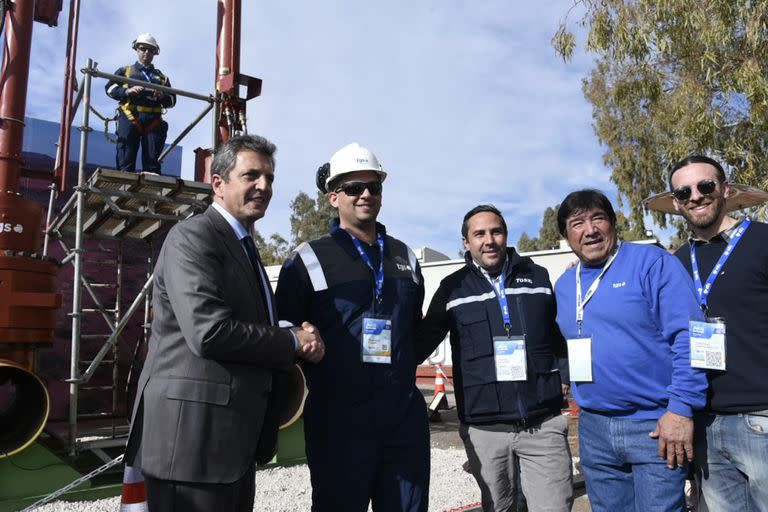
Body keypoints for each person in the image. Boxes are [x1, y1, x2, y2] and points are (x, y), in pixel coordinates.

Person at [124, 135, 325, 512]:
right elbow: (209, 332)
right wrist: (294, 342)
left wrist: (291, 333)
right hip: (191, 447)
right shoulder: (194, 236)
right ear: (218, 183)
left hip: (227, 445)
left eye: (269, 177)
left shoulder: (244, 246)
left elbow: (245, 322)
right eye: (251, 175)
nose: (263, 186)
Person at [276, 143, 430, 512]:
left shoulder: (405, 256)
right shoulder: (306, 259)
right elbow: (281, 326)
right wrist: (298, 340)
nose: (365, 194)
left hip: (401, 417)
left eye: (373, 187)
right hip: (338, 419)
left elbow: (412, 329)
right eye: (352, 188)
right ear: (333, 197)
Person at [553, 189, 708, 512]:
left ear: (613, 223)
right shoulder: (566, 284)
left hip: (654, 425)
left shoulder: (653, 264)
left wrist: (680, 409)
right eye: (577, 223)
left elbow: (691, 337)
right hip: (594, 427)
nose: (590, 230)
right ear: (567, 236)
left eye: (598, 218)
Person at [416, 204, 573, 512]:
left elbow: (558, 336)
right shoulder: (452, 288)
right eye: (479, 234)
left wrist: (565, 378)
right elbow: (420, 342)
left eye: (496, 232)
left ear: (505, 235)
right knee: (498, 508)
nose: (489, 240)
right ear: (466, 242)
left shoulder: (537, 277)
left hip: (542, 425)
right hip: (485, 430)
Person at [669, 155, 768, 511]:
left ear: (725, 189)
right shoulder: (676, 262)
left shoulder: (762, 241)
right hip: (704, 425)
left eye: (705, 186)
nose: (695, 196)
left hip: (761, 418)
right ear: (677, 202)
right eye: (684, 191)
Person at [105, 33, 175, 173]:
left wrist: (161, 96)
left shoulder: (162, 78)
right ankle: (124, 190)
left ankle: (150, 191)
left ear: (155, 52)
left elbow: (172, 100)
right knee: (125, 159)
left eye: (150, 50)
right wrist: (127, 91)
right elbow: (110, 88)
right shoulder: (125, 71)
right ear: (136, 49)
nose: (146, 52)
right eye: (143, 48)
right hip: (130, 117)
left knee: (152, 164)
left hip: (153, 121)